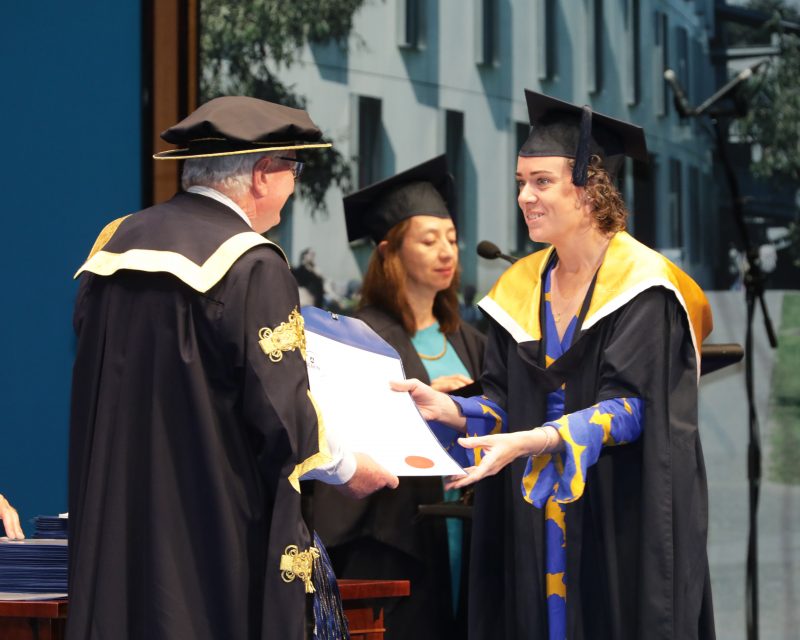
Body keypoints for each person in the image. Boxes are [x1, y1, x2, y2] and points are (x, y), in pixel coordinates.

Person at [68, 96, 397, 640]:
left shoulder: (115, 247)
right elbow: (282, 413)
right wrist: (346, 467)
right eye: (293, 172)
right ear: (263, 174)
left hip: (119, 520)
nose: (293, 189)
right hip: (209, 530)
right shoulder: (251, 263)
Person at [394, 91, 716, 639]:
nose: (524, 196)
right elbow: (504, 398)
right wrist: (450, 408)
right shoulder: (519, 286)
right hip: (532, 515)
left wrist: (537, 440)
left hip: (614, 511)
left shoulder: (644, 287)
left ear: (590, 186)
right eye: (521, 182)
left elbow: (634, 408)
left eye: (541, 181)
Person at [314, 156, 486, 640]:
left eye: (451, 239)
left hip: (469, 534)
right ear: (390, 250)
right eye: (428, 240)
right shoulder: (358, 339)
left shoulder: (471, 341)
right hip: (394, 538)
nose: (446, 251)